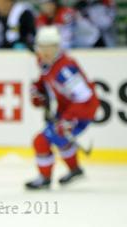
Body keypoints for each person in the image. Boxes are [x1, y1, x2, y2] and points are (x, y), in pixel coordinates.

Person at [25, 26, 99, 190]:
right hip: (67, 110)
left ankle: (44, 178)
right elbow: (45, 80)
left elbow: (85, 97)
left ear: (57, 47)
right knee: (60, 138)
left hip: (80, 112)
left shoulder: (65, 70)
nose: (44, 51)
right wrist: (38, 90)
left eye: (48, 47)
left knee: (41, 141)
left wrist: (68, 119)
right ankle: (75, 169)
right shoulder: (45, 62)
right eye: (41, 47)